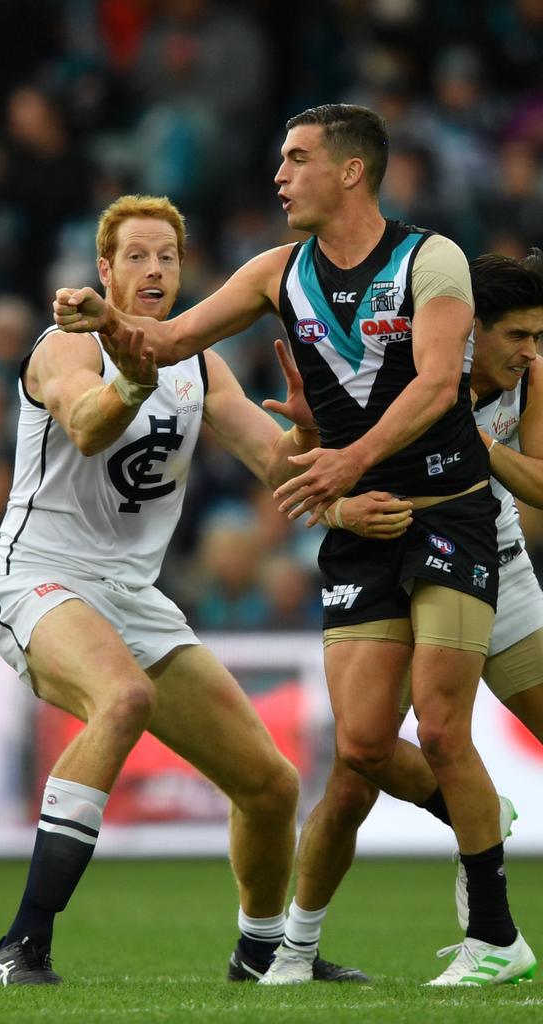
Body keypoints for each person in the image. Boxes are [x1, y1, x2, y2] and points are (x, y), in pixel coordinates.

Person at [53, 104, 535, 986]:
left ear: (351, 171)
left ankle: (496, 938)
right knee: (357, 748)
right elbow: (165, 343)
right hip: (358, 532)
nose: (278, 174)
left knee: (437, 721)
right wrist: (102, 322)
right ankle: (457, 833)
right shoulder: (276, 272)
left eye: (296, 157)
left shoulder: (432, 260)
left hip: (449, 513)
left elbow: (436, 385)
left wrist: (344, 458)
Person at [0, 194, 360, 986]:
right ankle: (21, 945)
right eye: (137, 257)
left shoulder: (199, 362)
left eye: (168, 257)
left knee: (270, 784)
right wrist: (129, 382)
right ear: (104, 271)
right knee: (122, 700)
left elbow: (279, 470)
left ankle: (259, 954)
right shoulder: (63, 347)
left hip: (132, 594)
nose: (155, 270)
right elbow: (85, 424)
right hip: (40, 575)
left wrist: (311, 435)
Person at [274, 249, 543, 982]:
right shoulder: (405, 372)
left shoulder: (531, 382)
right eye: (517, 335)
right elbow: (305, 482)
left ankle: (479, 875)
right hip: (396, 562)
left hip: (501, 565)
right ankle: (292, 949)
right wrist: (323, 474)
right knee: (358, 762)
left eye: (538, 336)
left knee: (439, 733)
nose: (530, 352)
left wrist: (478, 445)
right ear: (466, 330)